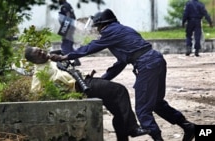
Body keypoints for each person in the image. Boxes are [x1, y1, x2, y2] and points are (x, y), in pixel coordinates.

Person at [49, 9, 196, 141]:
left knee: (142, 109)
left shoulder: (109, 32)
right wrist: (102, 80)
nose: (98, 30)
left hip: (146, 65)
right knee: (157, 103)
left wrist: (65, 57)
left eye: (98, 27)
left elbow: (90, 48)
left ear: (103, 24)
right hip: (156, 60)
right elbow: (120, 63)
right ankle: (188, 126)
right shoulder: (124, 30)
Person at [24, 46, 150, 141]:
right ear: (34, 60)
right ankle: (133, 128)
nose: (41, 53)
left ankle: (125, 134)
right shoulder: (39, 72)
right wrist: (58, 90)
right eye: (38, 54)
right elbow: (35, 92)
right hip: (80, 87)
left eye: (40, 50)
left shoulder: (51, 58)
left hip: (85, 80)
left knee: (118, 110)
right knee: (119, 90)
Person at [58, 0, 81, 66]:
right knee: (69, 45)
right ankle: (76, 61)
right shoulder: (68, 5)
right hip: (70, 27)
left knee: (65, 45)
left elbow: (68, 17)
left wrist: (64, 29)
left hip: (67, 27)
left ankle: (66, 62)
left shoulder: (64, 6)